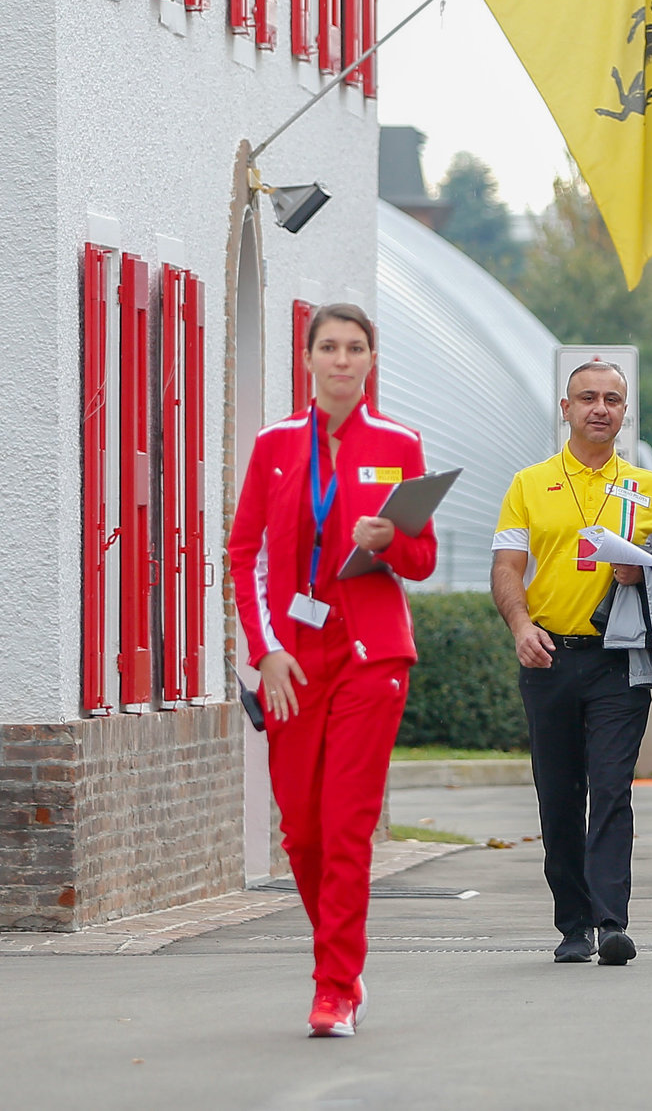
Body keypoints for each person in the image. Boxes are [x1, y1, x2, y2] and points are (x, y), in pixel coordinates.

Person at [230, 303, 438, 1037]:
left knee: (346, 827)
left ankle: (335, 985)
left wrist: (388, 539)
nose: (343, 359)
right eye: (330, 347)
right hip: (291, 659)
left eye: (356, 347)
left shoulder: (397, 443)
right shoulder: (275, 445)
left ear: (371, 360)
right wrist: (265, 652)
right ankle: (340, 957)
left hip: (371, 654)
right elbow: (244, 554)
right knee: (303, 834)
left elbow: (423, 557)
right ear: (309, 358)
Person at [491, 359, 652, 967]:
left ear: (625, 411)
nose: (600, 409)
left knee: (610, 788)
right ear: (566, 408)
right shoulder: (530, 483)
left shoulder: (647, 487)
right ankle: (572, 923)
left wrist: (646, 568)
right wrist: (521, 626)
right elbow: (506, 568)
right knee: (557, 792)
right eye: (587, 398)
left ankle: (612, 921)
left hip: (617, 659)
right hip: (549, 655)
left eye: (612, 399)